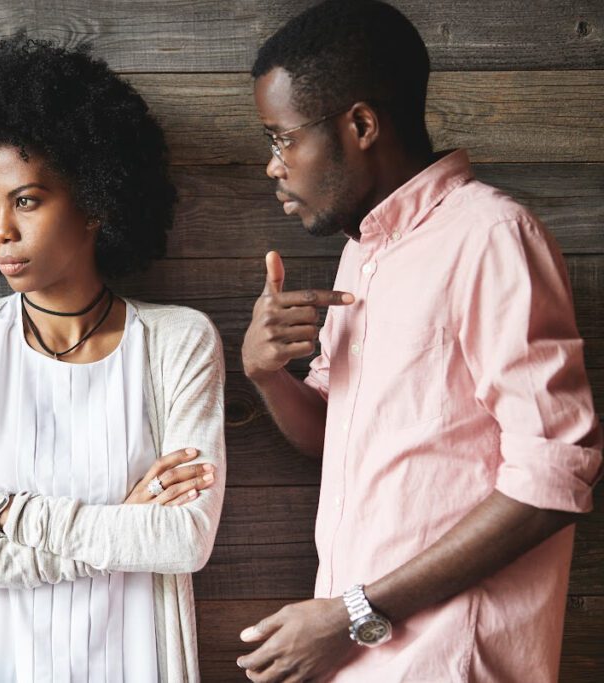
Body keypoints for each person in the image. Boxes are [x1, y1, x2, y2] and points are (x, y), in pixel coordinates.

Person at [237, 1, 602, 681]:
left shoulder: (490, 236)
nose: (273, 165)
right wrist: (266, 373)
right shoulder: (362, 255)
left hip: (448, 662)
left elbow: (554, 474)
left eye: (282, 137)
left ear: (362, 125)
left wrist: (352, 612)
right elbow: (332, 435)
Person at [0, 36, 226, 682]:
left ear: (96, 201)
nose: (0, 231)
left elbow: (184, 538)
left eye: (27, 200)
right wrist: (111, 537)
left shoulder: (179, 343)